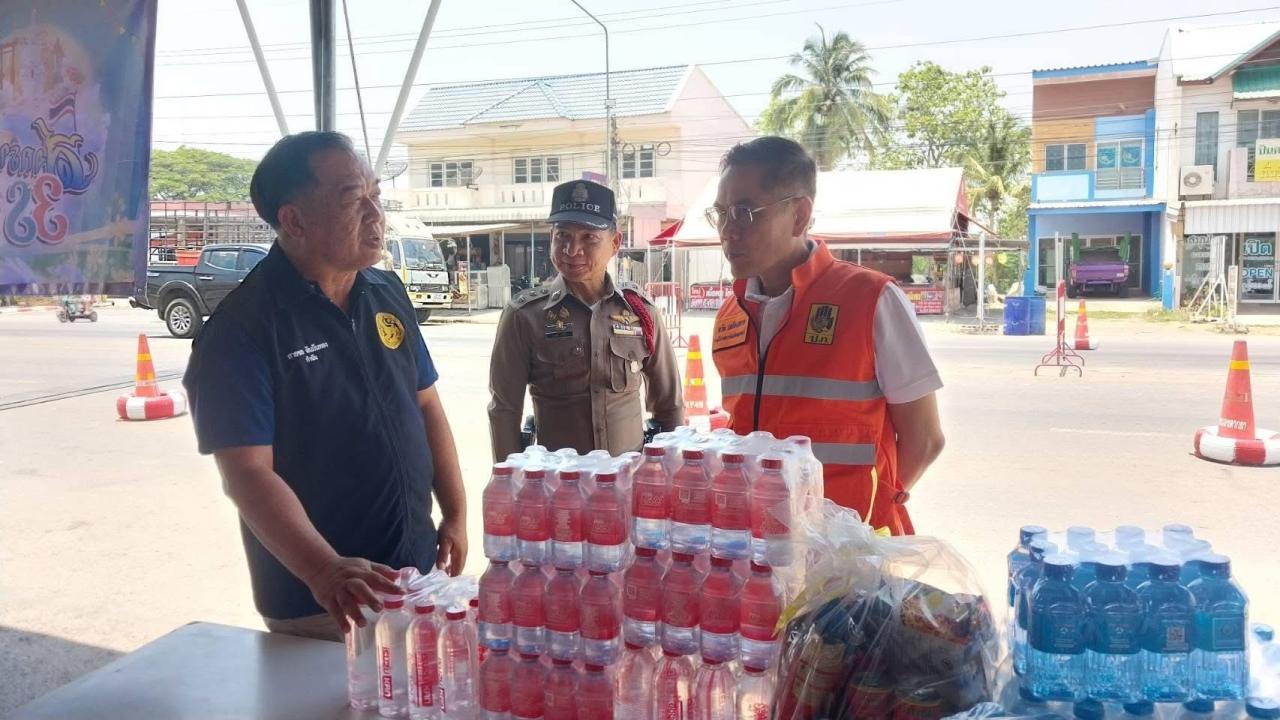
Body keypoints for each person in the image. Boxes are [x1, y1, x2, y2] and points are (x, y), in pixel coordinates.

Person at [183, 131, 468, 641]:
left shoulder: (386, 291)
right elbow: (247, 473)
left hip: (417, 575)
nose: (376, 214)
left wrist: (456, 512)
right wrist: (322, 570)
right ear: (294, 221)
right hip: (326, 603)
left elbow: (425, 404)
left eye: (375, 195)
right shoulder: (242, 330)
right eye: (353, 198)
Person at [708, 136, 945, 536]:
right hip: (759, 542)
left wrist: (864, 524)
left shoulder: (871, 299)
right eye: (721, 214)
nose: (728, 231)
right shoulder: (732, 314)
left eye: (745, 213)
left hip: (852, 548)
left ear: (799, 215)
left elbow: (925, 440)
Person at [488, 179, 683, 461]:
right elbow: (504, 410)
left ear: (615, 243)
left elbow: (669, 406)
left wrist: (668, 473)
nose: (571, 250)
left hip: (628, 478)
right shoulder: (524, 316)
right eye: (562, 236)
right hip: (558, 481)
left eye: (589, 237)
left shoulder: (640, 312)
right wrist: (511, 479)